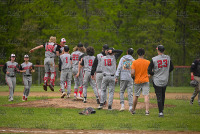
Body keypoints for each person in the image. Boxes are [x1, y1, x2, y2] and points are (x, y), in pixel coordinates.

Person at [148, 45, 174, 117]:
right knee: (163, 95)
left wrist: (154, 73)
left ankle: (160, 112)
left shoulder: (154, 59)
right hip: (165, 79)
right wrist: (165, 72)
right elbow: (172, 67)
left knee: (159, 95)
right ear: (164, 50)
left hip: (157, 79)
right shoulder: (168, 58)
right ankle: (161, 109)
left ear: (158, 50)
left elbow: (149, 70)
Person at [131, 48, 150, 115]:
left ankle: (133, 110)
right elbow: (151, 71)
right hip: (145, 80)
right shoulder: (147, 62)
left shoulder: (134, 62)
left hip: (137, 81)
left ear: (137, 54)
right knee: (146, 96)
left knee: (136, 96)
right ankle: (147, 111)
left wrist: (133, 77)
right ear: (144, 54)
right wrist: (149, 75)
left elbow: (132, 72)